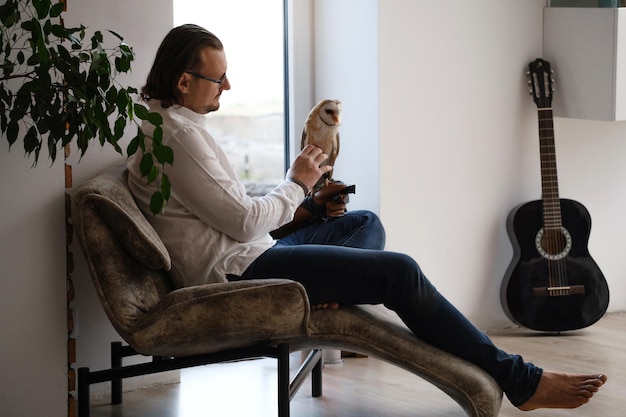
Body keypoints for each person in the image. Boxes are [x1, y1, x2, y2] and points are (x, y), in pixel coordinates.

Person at [127, 24, 607, 412]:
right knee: (400, 272)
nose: (227, 86)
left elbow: (228, 210)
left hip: (253, 252)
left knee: (364, 223)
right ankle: (522, 382)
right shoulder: (177, 137)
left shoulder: (177, 128)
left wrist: (308, 202)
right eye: (218, 78)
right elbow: (243, 221)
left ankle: (329, 286)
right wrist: (297, 181)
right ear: (183, 82)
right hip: (239, 272)